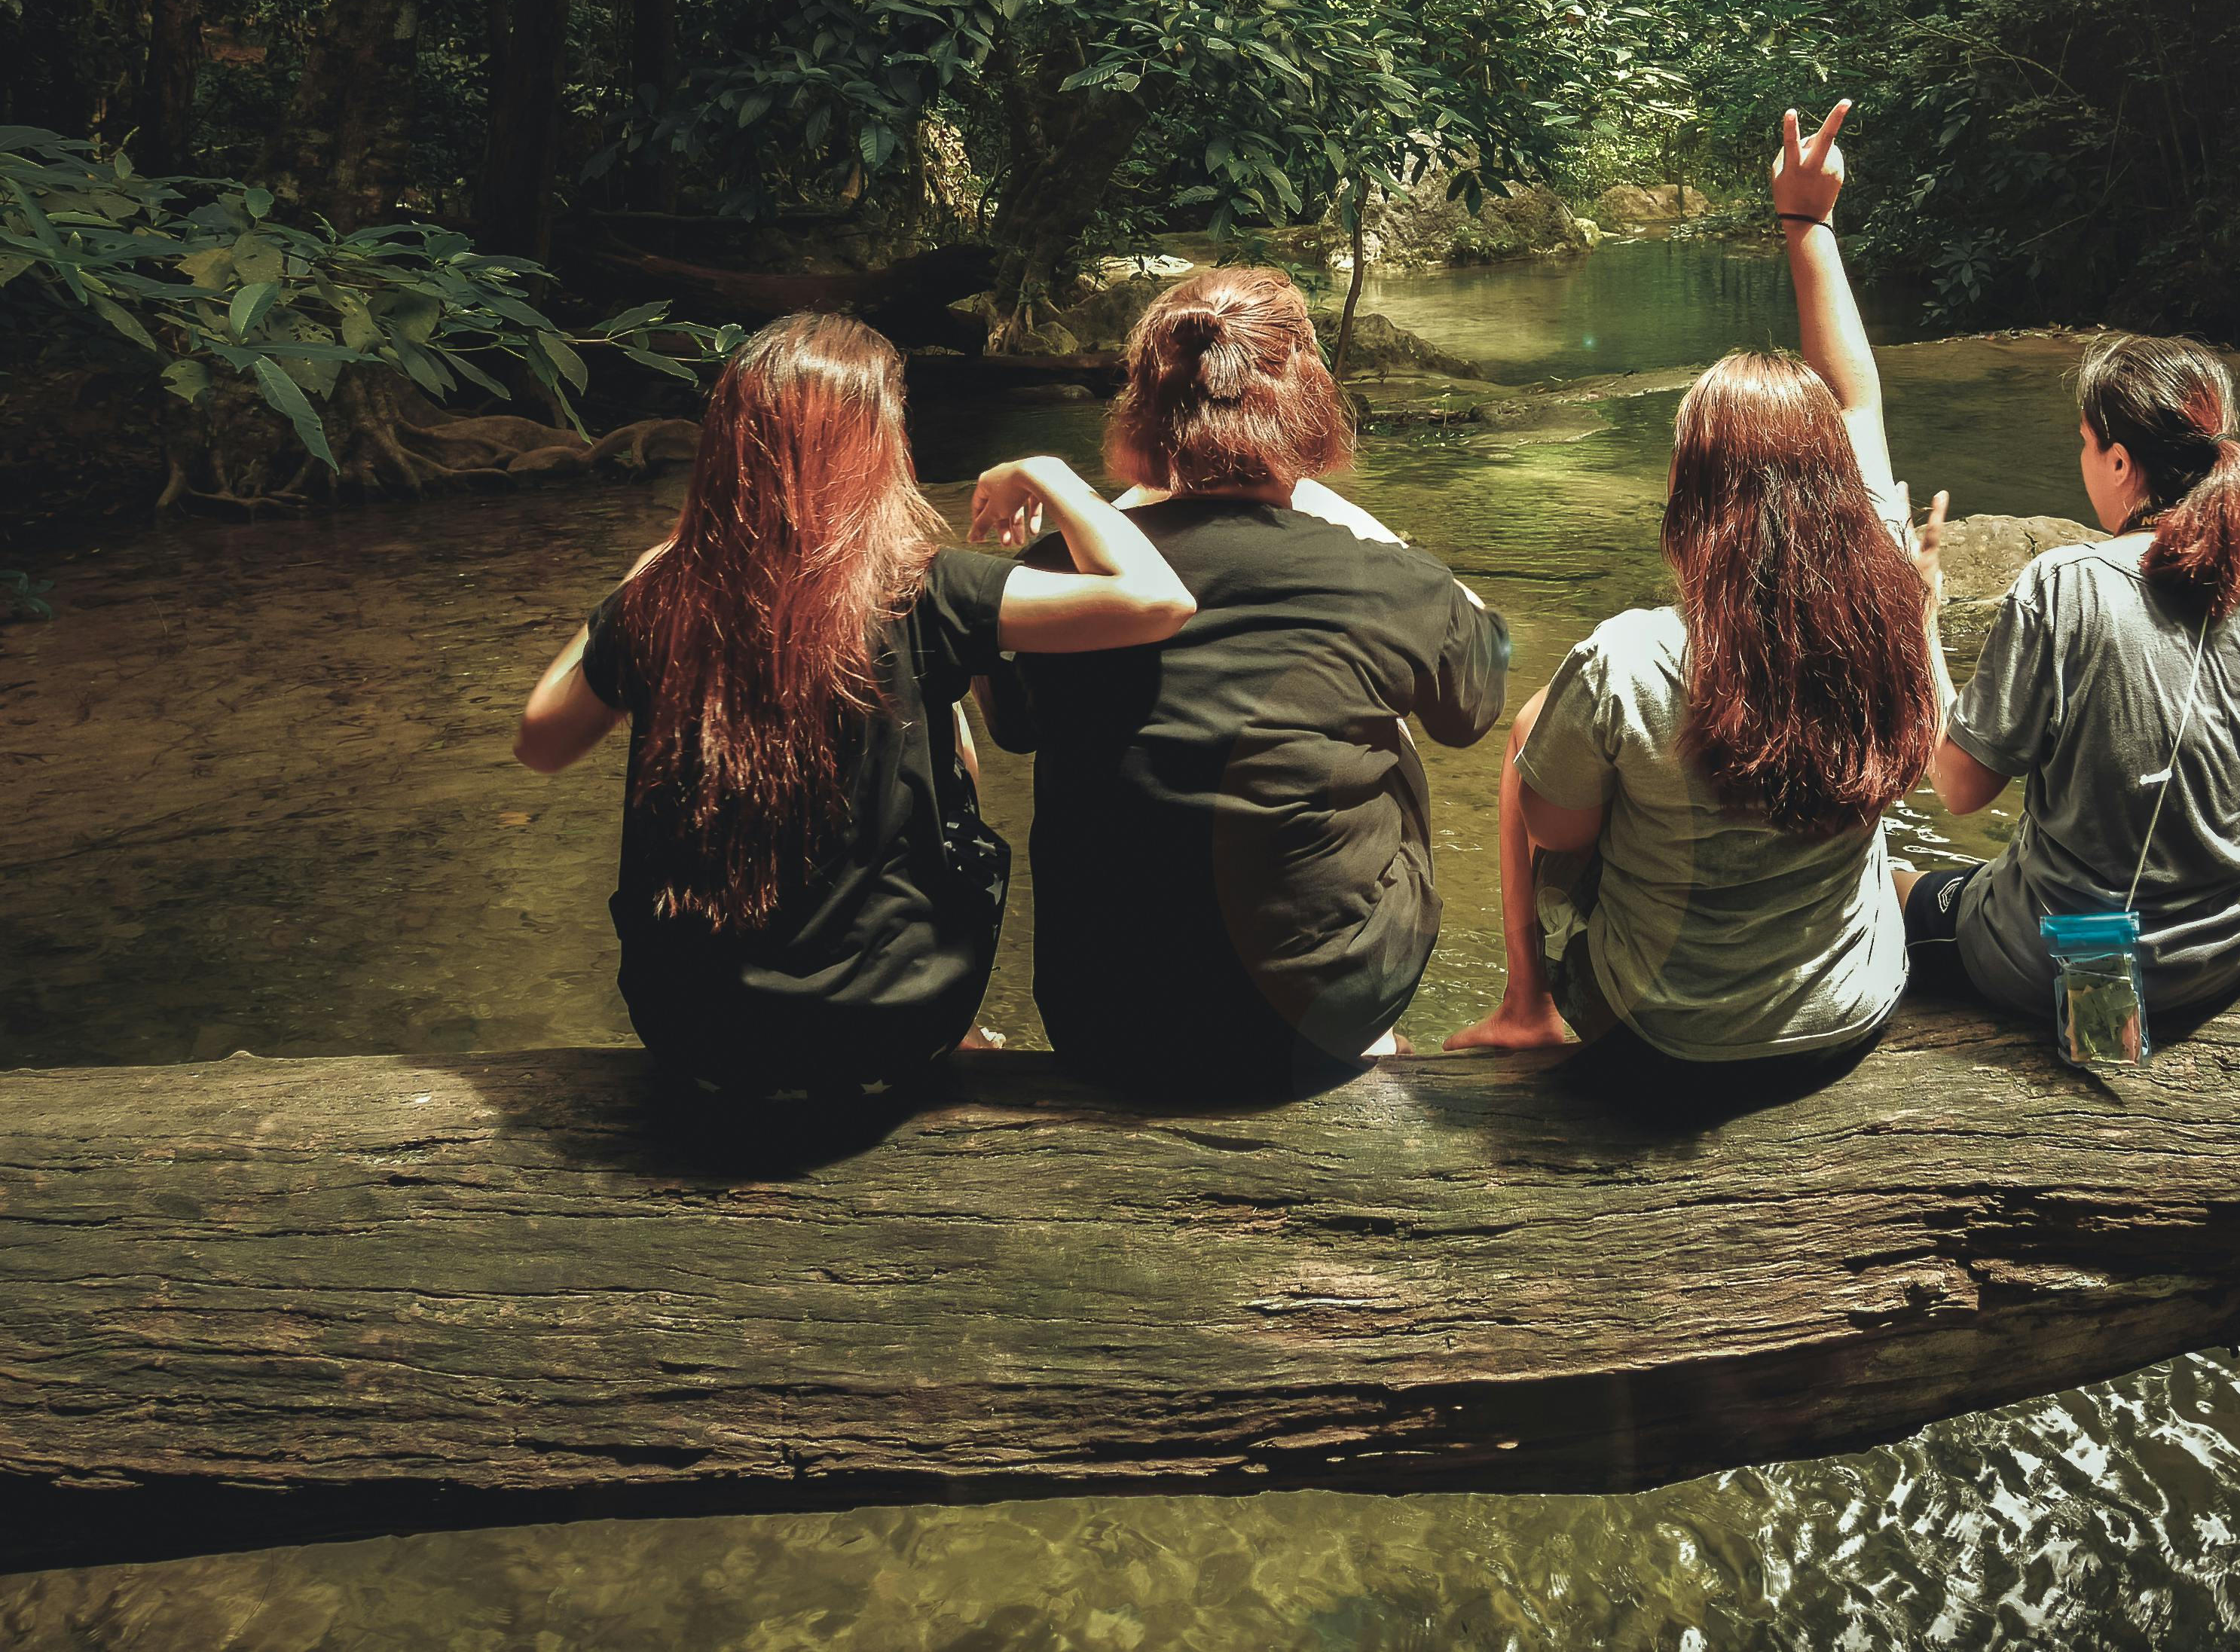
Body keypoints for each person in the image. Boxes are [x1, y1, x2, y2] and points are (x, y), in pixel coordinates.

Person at [513, 311, 1194, 1093]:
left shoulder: (661, 596)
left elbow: (541, 742)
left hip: (690, 1032)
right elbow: (1156, 598)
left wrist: (651, 572)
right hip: (883, 1029)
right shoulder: (923, 589)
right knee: (934, 703)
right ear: (878, 446)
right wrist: (1051, 472)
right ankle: (950, 1026)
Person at [1445, 101, 1946, 1113]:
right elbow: (1857, 403)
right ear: (1834, 490)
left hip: (1657, 1040)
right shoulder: (1890, 590)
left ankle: (1524, 1001)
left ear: (1691, 499)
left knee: (1538, 734)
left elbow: (1554, 829)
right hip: (1847, 1017)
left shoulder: (1630, 659)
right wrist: (1809, 225)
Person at [994, 264, 1508, 1101]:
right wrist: (1369, 533)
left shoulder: (1062, 570)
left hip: (1100, 1020)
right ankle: (1363, 1016)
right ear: (1307, 401)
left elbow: (1014, 723)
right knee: (1381, 709)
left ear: (1144, 410)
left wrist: (1110, 513)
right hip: (1315, 1025)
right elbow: (1472, 708)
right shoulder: (1386, 578)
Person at [1896, 335, 2240, 1027]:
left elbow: (1961, 788)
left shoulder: (2065, 584)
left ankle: (2100, 1025)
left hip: (2088, 971)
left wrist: (1921, 618)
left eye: (2086, 442)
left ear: (2120, 461)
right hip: (2230, 951)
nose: (2082, 457)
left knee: (1887, 887)